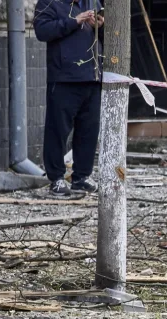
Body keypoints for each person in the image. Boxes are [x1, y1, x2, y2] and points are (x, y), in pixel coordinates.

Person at [34, 0, 104, 197]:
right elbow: (42, 31)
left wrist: (100, 25)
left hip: (92, 76)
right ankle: (56, 178)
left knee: (88, 131)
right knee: (58, 130)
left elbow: (106, 38)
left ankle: (81, 177)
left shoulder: (92, 2)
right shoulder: (49, 3)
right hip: (64, 77)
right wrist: (74, 21)